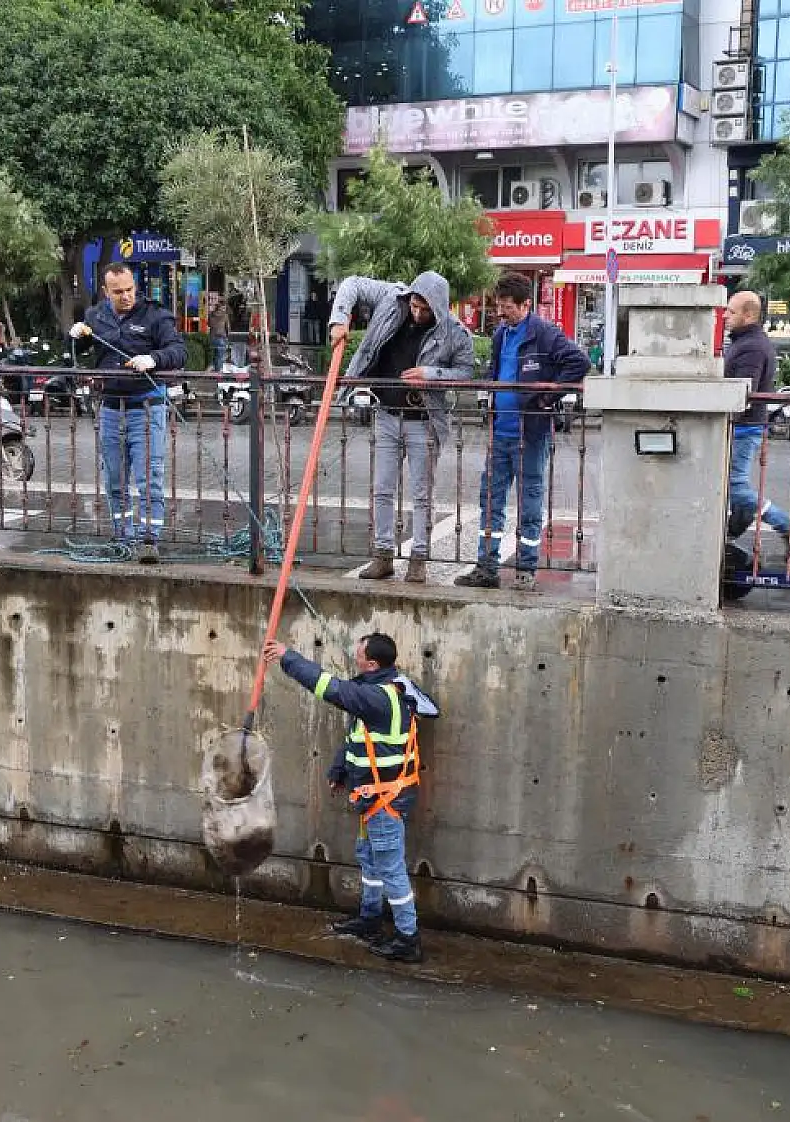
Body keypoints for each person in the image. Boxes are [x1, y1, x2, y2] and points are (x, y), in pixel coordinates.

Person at [262, 633, 428, 964]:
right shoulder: (388, 689)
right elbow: (358, 736)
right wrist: (340, 770)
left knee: (390, 868)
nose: (355, 655)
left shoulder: (378, 697)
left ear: (372, 664)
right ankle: (369, 919)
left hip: (386, 802)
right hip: (372, 799)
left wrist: (287, 657)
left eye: (360, 652)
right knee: (368, 858)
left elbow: (329, 688)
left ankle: (408, 939)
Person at [329, 271, 475, 584]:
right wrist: (340, 319)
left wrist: (431, 373)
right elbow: (352, 283)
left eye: (425, 309)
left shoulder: (455, 333)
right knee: (382, 488)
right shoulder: (392, 298)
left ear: (439, 306)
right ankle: (382, 556)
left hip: (423, 420)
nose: (417, 313)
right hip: (386, 414)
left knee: (422, 493)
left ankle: (418, 559)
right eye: (415, 306)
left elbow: (465, 373)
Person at [454, 274, 589, 591]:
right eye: (498, 307)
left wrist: (545, 398)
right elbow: (496, 370)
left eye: (507, 308)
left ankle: (526, 568)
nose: (500, 314)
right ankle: (487, 567)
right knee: (490, 501)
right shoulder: (502, 332)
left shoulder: (545, 334)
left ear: (526, 305)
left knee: (529, 502)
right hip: (499, 431)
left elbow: (578, 363)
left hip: (530, 433)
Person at [72, 263, 187, 563]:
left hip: (146, 408)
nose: (125, 296)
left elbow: (179, 351)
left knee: (149, 478)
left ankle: (150, 540)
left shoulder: (155, 314)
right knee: (114, 478)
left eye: (129, 290)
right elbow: (80, 349)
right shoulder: (95, 316)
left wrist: (154, 358)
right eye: (118, 292)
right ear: (106, 292)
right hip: (110, 407)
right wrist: (76, 336)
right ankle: (121, 534)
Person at [723, 290, 790, 550]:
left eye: (731, 311)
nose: (725, 315)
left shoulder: (752, 348)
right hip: (742, 426)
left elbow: (744, 392)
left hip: (744, 427)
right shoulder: (744, 342)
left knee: (734, 487)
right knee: (734, 485)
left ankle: (786, 524)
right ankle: (732, 531)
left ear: (749, 315)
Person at [207, 293, 231, 371]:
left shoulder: (211, 315)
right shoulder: (225, 316)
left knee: (214, 355)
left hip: (212, 337)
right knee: (220, 356)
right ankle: (218, 372)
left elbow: (209, 324)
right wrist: (227, 336)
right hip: (221, 336)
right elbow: (227, 327)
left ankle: (213, 369)